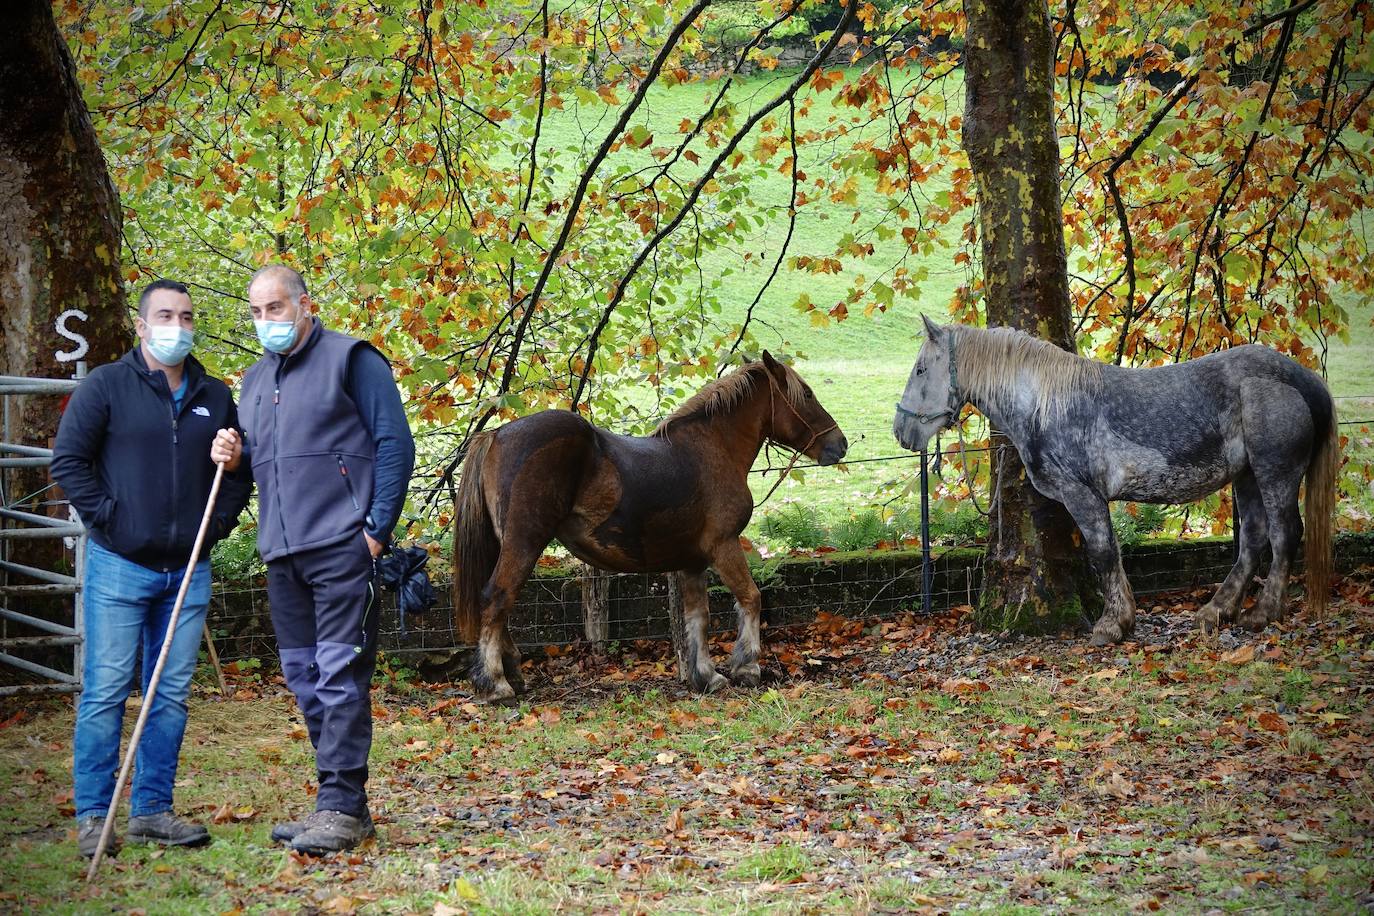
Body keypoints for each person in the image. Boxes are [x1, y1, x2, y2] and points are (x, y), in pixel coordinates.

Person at [211, 264, 414, 855]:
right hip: (282, 553)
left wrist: (375, 532)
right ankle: (341, 804)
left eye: (275, 307)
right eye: (256, 311)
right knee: (305, 678)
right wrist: (233, 454)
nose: (266, 320)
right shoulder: (252, 382)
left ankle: (341, 808)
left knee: (339, 674)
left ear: (305, 304)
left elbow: (394, 442)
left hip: (342, 547)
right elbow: (259, 469)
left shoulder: (353, 360)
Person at [51, 279, 252, 858]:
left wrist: (214, 528)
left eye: (186, 316)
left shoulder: (214, 394)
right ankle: (95, 816)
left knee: (169, 696)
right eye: (165, 315)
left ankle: (152, 811)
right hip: (119, 566)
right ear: (141, 326)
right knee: (106, 691)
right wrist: (111, 520)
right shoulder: (107, 385)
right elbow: (70, 461)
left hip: (188, 571)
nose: (177, 325)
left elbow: (239, 473)